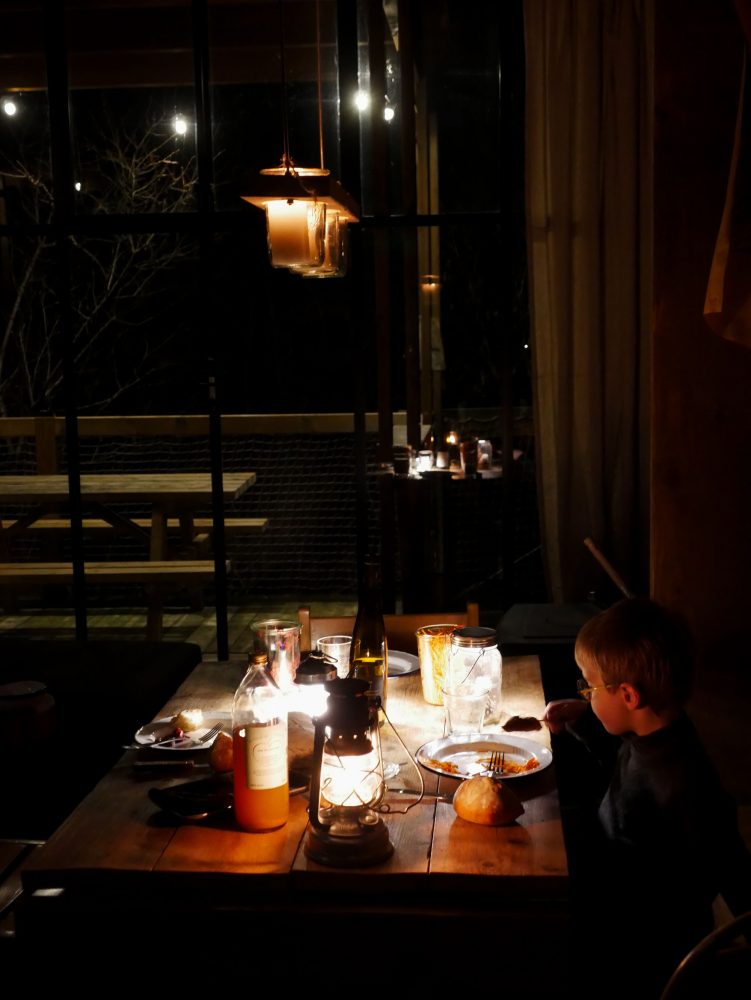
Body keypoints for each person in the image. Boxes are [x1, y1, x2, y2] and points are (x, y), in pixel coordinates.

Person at [543, 596, 751, 999]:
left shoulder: (684, 783)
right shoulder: (656, 733)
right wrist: (585, 722)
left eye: (589, 686)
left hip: (637, 946)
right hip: (611, 885)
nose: (586, 694)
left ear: (628, 696)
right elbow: (627, 766)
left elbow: (731, 862)